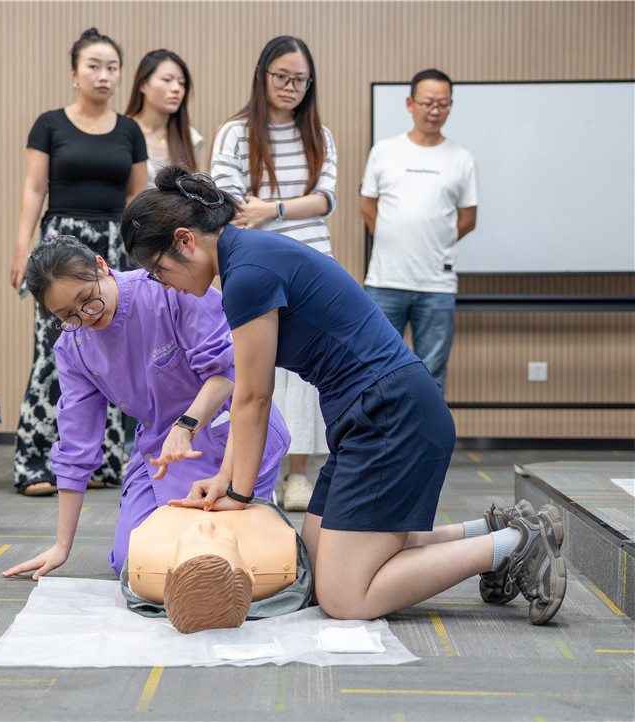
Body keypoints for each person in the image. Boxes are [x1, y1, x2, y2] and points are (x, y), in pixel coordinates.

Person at [119, 166, 566, 626]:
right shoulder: (246, 257)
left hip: (391, 415)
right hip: (371, 414)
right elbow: (245, 394)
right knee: (316, 565)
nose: (162, 283)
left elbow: (254, 398)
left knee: (344, 596)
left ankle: (517, 544)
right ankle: (488, 531)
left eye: (157, 270)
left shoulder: (247, 275)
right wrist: (224, 479)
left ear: (186, 240)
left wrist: (237, 494)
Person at [0, 235, 289, 578]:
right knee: (133, 561)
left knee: (219, 551)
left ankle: (260, 524)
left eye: (87, 299)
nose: (86, 316)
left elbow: (226, 372)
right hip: (161, 450)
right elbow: (76, 445)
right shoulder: (73, 346)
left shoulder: (166, 288)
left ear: (101, 265)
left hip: (229, 432)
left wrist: (185, 426)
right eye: (68, 315)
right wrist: (62, 546)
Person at [8, 28, 148, 497]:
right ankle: (35, 462)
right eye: (93, 66)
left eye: (112, 67)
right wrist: (22, 249)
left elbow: (138, 197)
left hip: (112, 246)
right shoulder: (49, 124)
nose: (104, 75)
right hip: (58, 245)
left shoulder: (129, 130)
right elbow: (33, 189)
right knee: (54, 352)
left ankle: (104, 461)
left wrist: (142, 258)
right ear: (74, 73)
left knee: (111, 351)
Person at [210, 36, 338, 512]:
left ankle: (298, 474)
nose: (290, 86)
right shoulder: (235, 133)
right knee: (257, 371)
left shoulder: (320, 135)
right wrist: (277, 210)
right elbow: (227, 202)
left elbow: (326, 200)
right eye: (281, 77)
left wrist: (271, 209)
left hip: (315, 265)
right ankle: (256, 472)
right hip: (258, 266)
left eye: (300, 79)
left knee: (305, 373)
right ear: (263, 75)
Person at [360, 68, 478, 395]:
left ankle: (426, 432)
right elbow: (368, 208)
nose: (435, 111)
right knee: (375, 371)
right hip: (385, 281)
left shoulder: (462, 159)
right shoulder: (384, 151)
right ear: (410, 104)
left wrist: (433, 241)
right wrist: (395, 239)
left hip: (437, 286)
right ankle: (383, 432)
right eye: (428, 103)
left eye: (443, 104)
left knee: (431, 376)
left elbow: (468, 219)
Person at [126, 502, 312, 634]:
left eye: (188, 541)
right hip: (246, 498)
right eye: (226, 540)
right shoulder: (275, 553)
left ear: (169, 573)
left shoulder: (146, 555)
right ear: (249, 573)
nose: (207, 524)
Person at [124, 49, 202, 187]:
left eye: (181, 83)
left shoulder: (189, 136)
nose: (176, 88)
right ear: (143, 85)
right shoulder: (123, 131)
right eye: (167, 80)